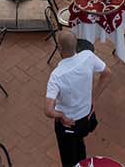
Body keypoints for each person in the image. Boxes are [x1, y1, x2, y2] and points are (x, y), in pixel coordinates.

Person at [45, 31, 108, 167]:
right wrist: (93, 98)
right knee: (80, 146)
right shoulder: (88, 57)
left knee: (69, 160)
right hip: (85, 119)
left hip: (68, 124)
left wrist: (60, 115)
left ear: (60, 49)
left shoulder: (56, 76)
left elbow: (48, 110)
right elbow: (107, 73)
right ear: (76, 45)